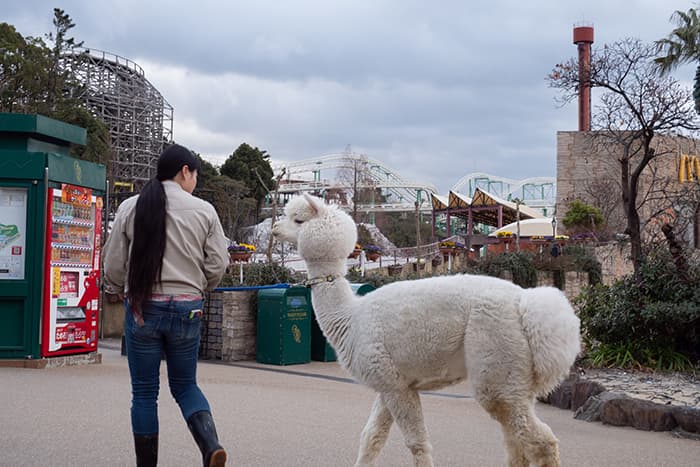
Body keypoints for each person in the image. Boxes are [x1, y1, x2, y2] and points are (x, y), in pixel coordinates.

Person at [103, 144, 230, 467]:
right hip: (188, 308)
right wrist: (201, 288)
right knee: (186, 386)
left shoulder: (131, 207)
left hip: (143, 309)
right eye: (195, 176)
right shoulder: (204, 211)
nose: (195, 183)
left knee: (145, 393)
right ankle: (211, 445)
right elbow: (218, 263)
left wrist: (116, 288)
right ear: (184, 171)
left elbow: (114, 263)